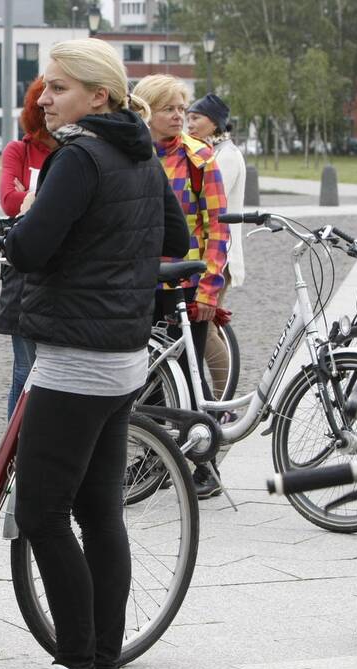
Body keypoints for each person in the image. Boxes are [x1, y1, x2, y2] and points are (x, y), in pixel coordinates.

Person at [3, 39, 188, 669]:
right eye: (45, 88)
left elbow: (30, 248)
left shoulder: (77, 157)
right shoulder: (139, 153)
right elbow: (173, 238)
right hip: (121, 357)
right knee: (99, 514)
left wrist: (17, 224)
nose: (44, 99)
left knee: (42, 515)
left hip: (74, 357)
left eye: (57, 88)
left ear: (97, 96)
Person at [132, 74, 230, 499]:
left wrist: (209, 289)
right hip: (139, 279)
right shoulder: (133, 155)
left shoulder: (200, 157)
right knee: (146, 375)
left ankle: (204, 465)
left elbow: (217, 228)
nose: (178, 117)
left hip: (186, 282)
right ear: (147, 111)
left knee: (191, 378)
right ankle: (156, 457)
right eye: (169, 108)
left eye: (181, 108)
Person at [0, 77, 57, 417]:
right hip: (22, 269)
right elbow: (9, 201)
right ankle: (13, 444)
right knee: (24, 366)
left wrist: (32, 197)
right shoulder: (18, 150)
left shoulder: (70, 149)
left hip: (56, 266)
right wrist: (38, 199)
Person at [186, 93, 245, 399]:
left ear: (214, 122)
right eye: (190, 117)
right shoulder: (212, 151)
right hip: (210, 253)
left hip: (219, 256)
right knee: (206, 329)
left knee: (205, 329)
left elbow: (211, 204)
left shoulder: (226, 156)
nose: (190, 123)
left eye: (196, 118)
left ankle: (223, 399)